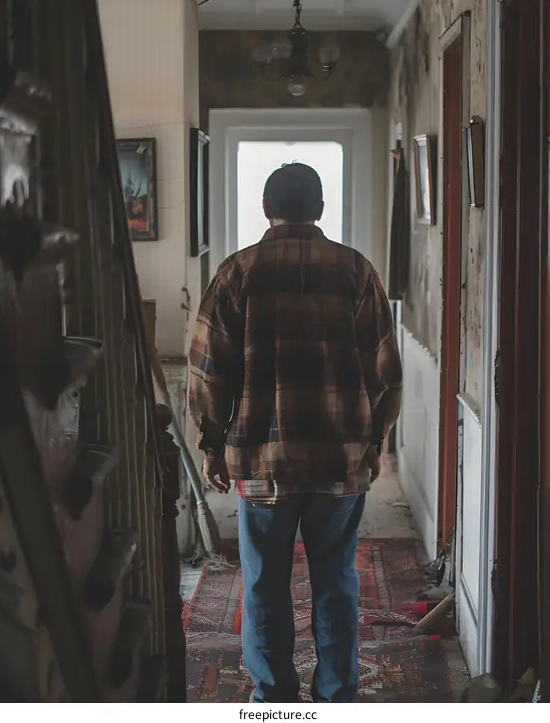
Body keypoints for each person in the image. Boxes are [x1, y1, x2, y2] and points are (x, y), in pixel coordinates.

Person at [189, 163, 402, 703]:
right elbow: (386, 372)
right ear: (321, 209)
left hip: (263, 462)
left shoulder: (237, 273)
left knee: (263, 584)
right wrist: (377, 442)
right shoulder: (356, 271)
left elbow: (208, 369)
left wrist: (212, 444)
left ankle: (273, 700)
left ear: (266, 209)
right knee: (337, 582)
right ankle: (336, 697)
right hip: (340, 458)